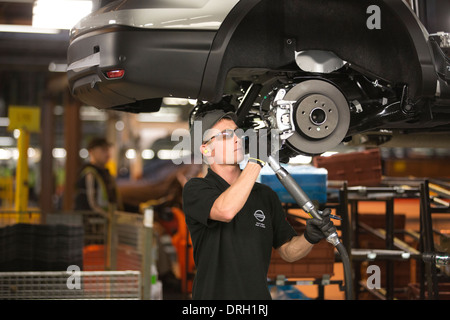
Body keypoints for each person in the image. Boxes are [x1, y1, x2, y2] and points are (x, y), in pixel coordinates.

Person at [182, 107, 337, 300]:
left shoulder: (264, 195)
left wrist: (309, 237)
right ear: (205, 148)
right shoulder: (196, 189)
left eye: (238, 133)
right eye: (226, 135)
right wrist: (256, 161)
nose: (237, 139)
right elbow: (226, 210)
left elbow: (288, 251)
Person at [74, 137, 120, 217]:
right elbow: (92, 204)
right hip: (92, 224)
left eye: (108, 150)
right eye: (103, 150)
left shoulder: (105, 174)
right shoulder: (89, 174)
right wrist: (109, 216)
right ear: (91, 152)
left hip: (104, 222)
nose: (107, 154)